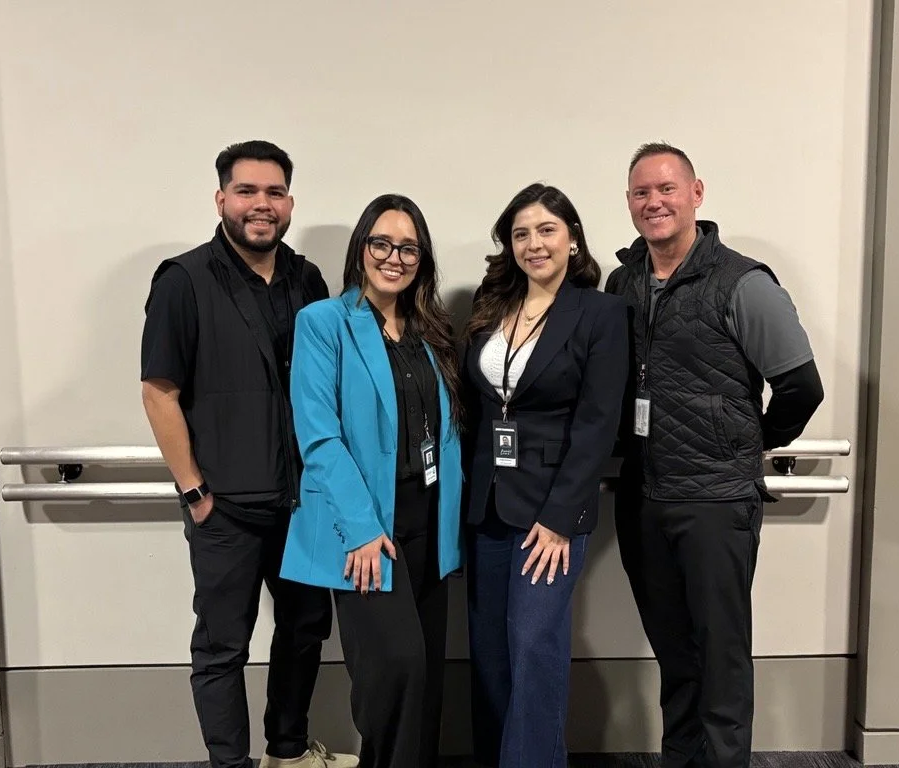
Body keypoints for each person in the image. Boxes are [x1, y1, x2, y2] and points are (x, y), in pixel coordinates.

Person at [606, 142, 825, 768]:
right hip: (643, 498)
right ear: (629, 203)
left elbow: (801, 386)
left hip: (714, 502)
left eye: (666, 189)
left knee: (721, 657)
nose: (655, 202)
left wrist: (744, 443)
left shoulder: (742, 282)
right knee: (674, 656)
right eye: (642, 193)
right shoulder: (624, 282)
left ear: (696, 193)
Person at [140, 140, 356, 768]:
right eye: (247, 191)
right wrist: (193, 491)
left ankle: (287, 751)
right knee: (221, 648)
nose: (261, 205)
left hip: (301, 505)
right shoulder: (183, 281)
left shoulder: (307, 279)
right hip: (225, 508)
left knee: (305, 630)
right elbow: (159, 392)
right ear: (221, 199)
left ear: (289, 201)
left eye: (274, 192)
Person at [281, 194, 465, 768]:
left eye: (408, 247)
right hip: (364, 526)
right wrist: (360, 530)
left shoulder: (432, 330)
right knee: (395, 671)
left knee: (428, 674)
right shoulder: (323, 324)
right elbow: (318, 436)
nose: (394, 257)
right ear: (361, 248)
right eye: (381, 243)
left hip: (429, 521)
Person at [462, 183, 629, 767]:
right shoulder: (490, 307)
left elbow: (598, 423)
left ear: (573, 237)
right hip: (485, 505)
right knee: (489, 652)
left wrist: (559, 519)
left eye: (547, 230)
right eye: (521, 233)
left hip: (550, 513)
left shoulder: (601, 313)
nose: (534, 244)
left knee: (534, 647)